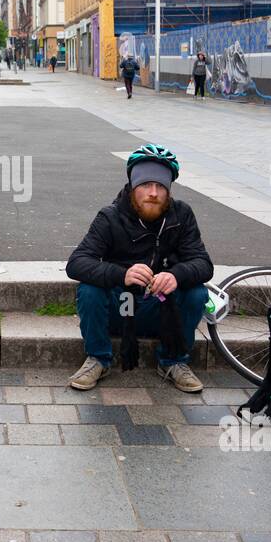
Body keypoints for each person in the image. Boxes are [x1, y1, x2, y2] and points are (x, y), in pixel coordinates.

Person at [65, 145, 212, 392]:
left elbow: (203, 263)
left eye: (161, 186)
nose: (153, 193)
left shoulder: (182, 215)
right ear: (133, 186)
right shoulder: (110, 216)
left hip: (160, 309)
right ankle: (98, 358)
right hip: (121, 309)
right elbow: (77, 263)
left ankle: (173, 360)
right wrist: (121, 274)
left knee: (196, 292)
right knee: (90, 288)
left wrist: (176, 275)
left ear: (169, 190)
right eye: (145, 184)